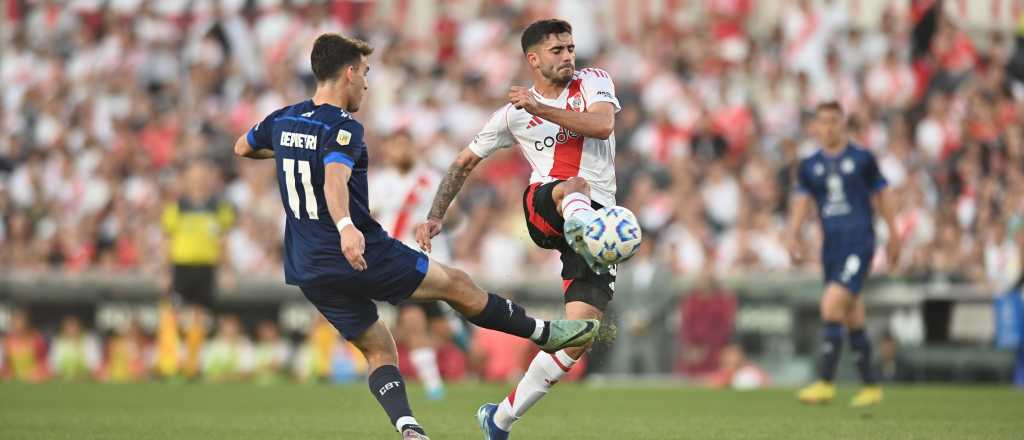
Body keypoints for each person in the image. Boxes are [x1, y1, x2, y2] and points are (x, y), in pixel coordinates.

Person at [233, 33, 600, 440]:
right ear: (350, 72)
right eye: (366, 74)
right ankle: (546, 334)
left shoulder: (282, 119)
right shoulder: (343, 127)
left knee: (379, 349)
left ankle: (407, 426)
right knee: (457, 285)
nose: (367, 85)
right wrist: (345, 228)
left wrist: (291, 153)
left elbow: (242, 147)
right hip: (358, 250)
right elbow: (334, 181)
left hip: (306, 265)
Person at [415, 18, 622, 440]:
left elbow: (602, 125)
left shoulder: (594, 81)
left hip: (597, 216)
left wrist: (538, 107)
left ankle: (500, 419)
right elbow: (464, 162)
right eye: (556, 50)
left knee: (580, 336)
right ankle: (582, 225)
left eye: (569, 48)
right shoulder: (511, 116)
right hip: (546, 206)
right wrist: (436, 214)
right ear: (533, 59)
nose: (568, 56)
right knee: (573, 186)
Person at [786, 101, 900, 407]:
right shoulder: (810, 165)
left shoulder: (862, 158)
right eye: (822, 122)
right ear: (815, 126)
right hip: (831, 248)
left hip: (859, 242)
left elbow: (884, 193)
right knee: (852, 314)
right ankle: (871, 386)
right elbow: (802, 198)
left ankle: (825, 382)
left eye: (834, 121)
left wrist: (894, 234)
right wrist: (793, 233)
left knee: (831, 306)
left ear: (843, 124)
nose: (828, 127)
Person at [369, 130, 453, 400]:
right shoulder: (378, 182)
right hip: (398, 262)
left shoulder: (429, 180)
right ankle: (433, 386)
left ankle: (397, 344)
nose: (402, 150)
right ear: (388, 149)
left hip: (432, 262)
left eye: (406, 144)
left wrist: (438, 224)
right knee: (414, 320)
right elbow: (365, 218)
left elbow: (453, 216)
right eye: (396, 145)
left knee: (442, 331)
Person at [160, 159, 236, 379]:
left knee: (199, 316)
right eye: (194, 178)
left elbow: (223, 241)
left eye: (203, 178)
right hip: (181, 265)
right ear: (186, 181)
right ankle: (170, 363)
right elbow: (168, 239)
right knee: (174, 314)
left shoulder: (218, 208)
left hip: (206, 266)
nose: (199, 183)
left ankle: (192, 365)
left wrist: (227, 270)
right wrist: (165, 271)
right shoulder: (177, 207)